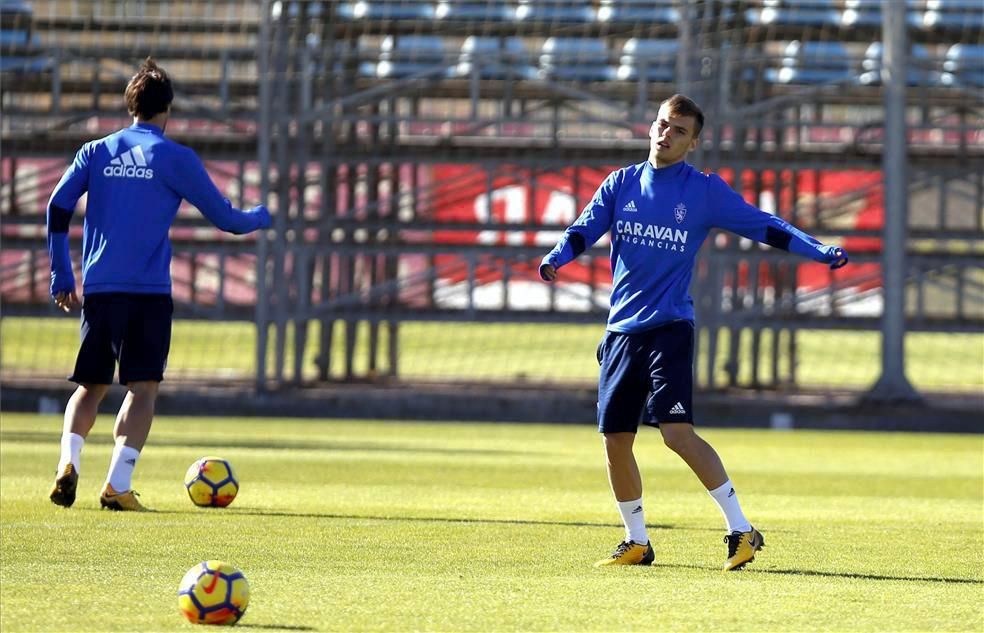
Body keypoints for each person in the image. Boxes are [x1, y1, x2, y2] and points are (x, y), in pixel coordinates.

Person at [539, 94, 848, 571]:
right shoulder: (620, 184)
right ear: (651, 127)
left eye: (679, 130)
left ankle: (741, 530)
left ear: (694, 141)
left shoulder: (703, 191)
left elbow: (765, 226)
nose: (667, 134)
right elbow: (583, 229)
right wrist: (556, 258)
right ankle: (637, 542)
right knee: (615, 439)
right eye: (663, 124)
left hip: (670, 327)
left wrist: (817, 250)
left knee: (676, 433)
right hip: (621, 330)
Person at [46, 58, 271, 511]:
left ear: (131, 106)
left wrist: (62, 272)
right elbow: (227, 221)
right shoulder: (174, 157)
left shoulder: (96, 151)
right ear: (167, 108)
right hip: (148, 292)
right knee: (142, 388)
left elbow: (56, 207)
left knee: (90, 386)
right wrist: (266, 216)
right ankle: (117, 485)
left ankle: (67, 464)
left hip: (102, 288)